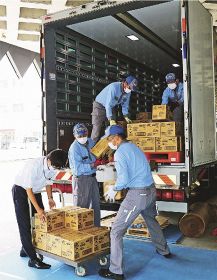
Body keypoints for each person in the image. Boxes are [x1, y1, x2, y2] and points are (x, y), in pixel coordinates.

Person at [99, 125, 171, 280]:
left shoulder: (120, 152)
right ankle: (163, 249)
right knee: (151, 220)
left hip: (137, 195)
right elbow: (135, 165)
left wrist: (114, 188)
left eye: (110, 140)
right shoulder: (133, 146)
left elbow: (123, 179)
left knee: (116, 231)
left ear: (117, 138)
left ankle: (116, 271)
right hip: (150, 191)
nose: (109, 143)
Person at [12, 149, 68, 269]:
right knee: (25, 223)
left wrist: (50, 198)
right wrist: (39, 209)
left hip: (35, 191)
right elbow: (28, 190)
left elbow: (48, 182)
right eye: (54, 166)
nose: (55, 169)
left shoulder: (53, 167)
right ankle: (33, 259)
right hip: (21, 190)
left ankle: (25, 248)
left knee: (38, 221)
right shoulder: (34, 166)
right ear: (49, 159)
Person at [68, 123, 101, 226]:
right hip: (81, 179)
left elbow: (95, 154)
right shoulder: (74, 149)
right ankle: (81, 231)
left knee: (95, 205)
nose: (82, 138)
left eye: (84, 135)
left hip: (92, 178)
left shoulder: (90, 142)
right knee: (82, 207)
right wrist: (92, 165)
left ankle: (95, 229)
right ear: (75, 136)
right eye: (80, 136)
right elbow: (77, 169)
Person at [91, 75, 138, 142]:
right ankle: (92, 149)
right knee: (96, 128)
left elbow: (125, 105)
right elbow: (108, 104)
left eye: (131, 89)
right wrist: (110, 118)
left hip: (111, 106)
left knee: (112, 129)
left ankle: (108, 148)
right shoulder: (114, 87)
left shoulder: (128, 93)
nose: (130, 90)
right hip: (99, 106)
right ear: (125, 83)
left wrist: (126, 116)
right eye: (130, 87)